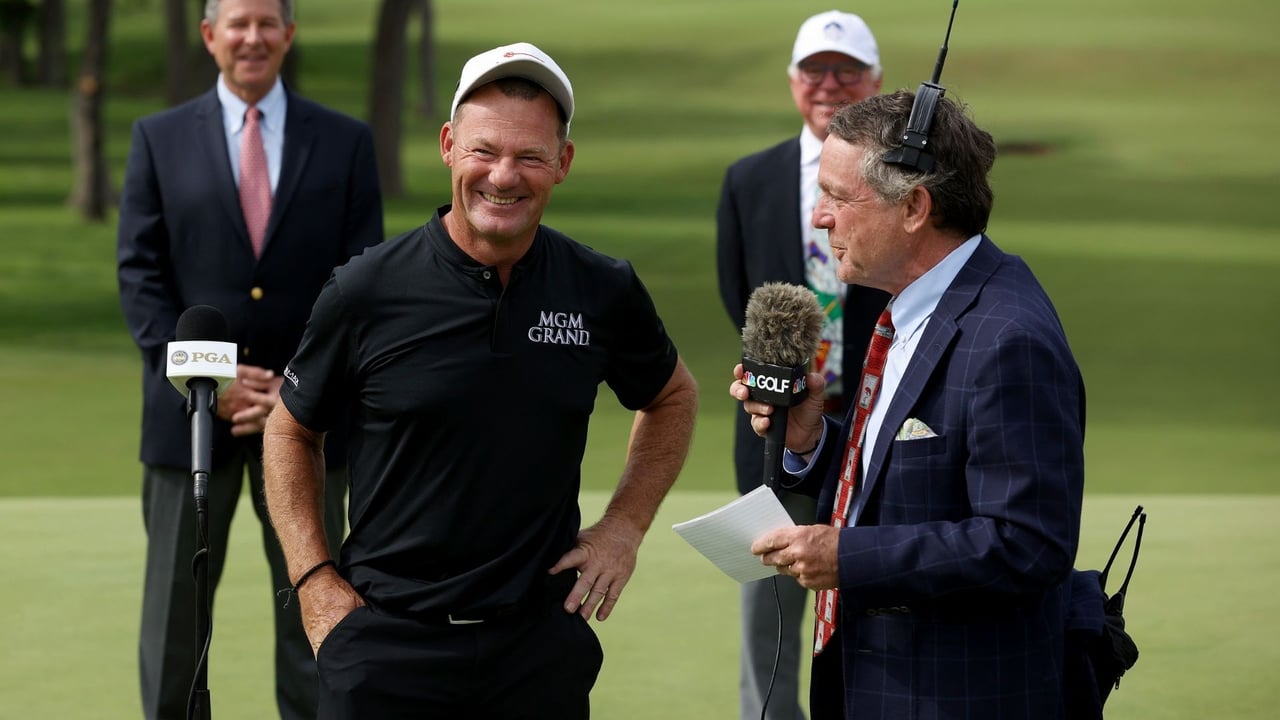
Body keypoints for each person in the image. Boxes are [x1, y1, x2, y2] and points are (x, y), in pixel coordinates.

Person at [261, 42, 699, 719]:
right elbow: (290, 431)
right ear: (448, 147)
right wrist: (313, 580)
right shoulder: (367, 289)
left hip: (536, 651)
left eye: (530, 156)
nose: (503, 176)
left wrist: (623, 528)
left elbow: (672, 396)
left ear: (563, 162)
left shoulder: (600, 288)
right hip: (385, 647)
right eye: (483, 151)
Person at [732, 90, 1086, 719]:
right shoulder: (914, 307)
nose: (820, 218)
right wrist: (813, 441)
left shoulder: (1008, 338)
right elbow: (909, 482)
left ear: (915, 207)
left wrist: (847, 557)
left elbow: (1028, 544)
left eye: (838, 197)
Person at [115, 0, 384, 717]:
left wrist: (295, 392)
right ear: (210, 36)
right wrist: (209, 381)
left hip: (309, 426)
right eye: (237, 23)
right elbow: (141, 277)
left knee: (315, 614)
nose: (253, 37)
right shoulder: (157, 138)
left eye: (268, 23)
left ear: (289, 34)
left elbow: (362, 283)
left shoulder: (347, 142)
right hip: (187, 423)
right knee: (176, 623)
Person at [715, 10, 890, 719]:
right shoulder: (748, 179)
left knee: (880, 607)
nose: (829, 84)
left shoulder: (902, 183)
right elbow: (738, 293)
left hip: (882, 423)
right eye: (815, 70)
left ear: (875, 83)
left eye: (847, 71)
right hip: (774, 433)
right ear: (793, 81)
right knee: (772, 618)